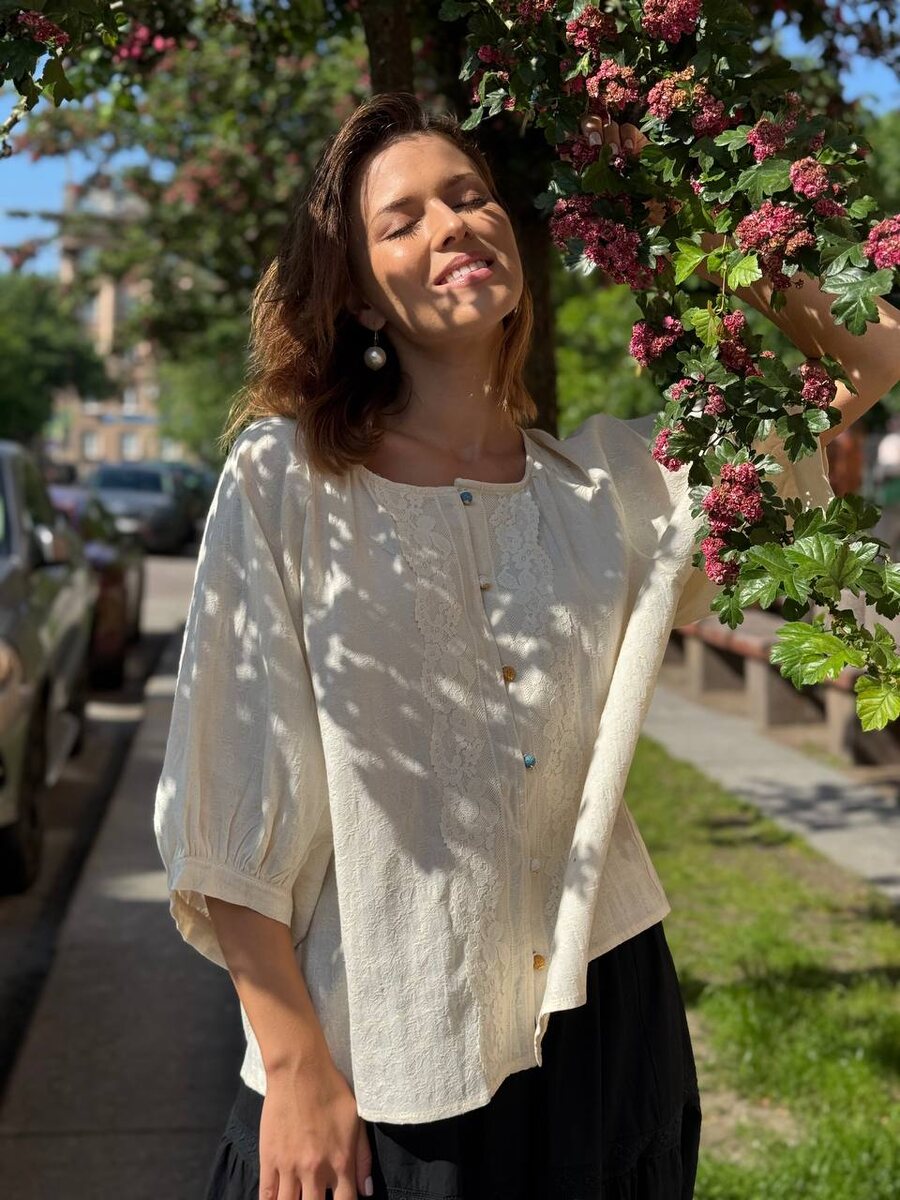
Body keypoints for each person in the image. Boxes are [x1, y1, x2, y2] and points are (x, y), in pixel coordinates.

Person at [153, 93, 899, 1200]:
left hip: (608, 1031)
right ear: (355, 290)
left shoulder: (616, 489)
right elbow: (228, 797)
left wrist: (688, 193)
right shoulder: (288, 481)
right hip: (384, 1044)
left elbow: (869, 355)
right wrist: (297, 1065)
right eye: (403, 218)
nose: (453, 223)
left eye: (470, 196)